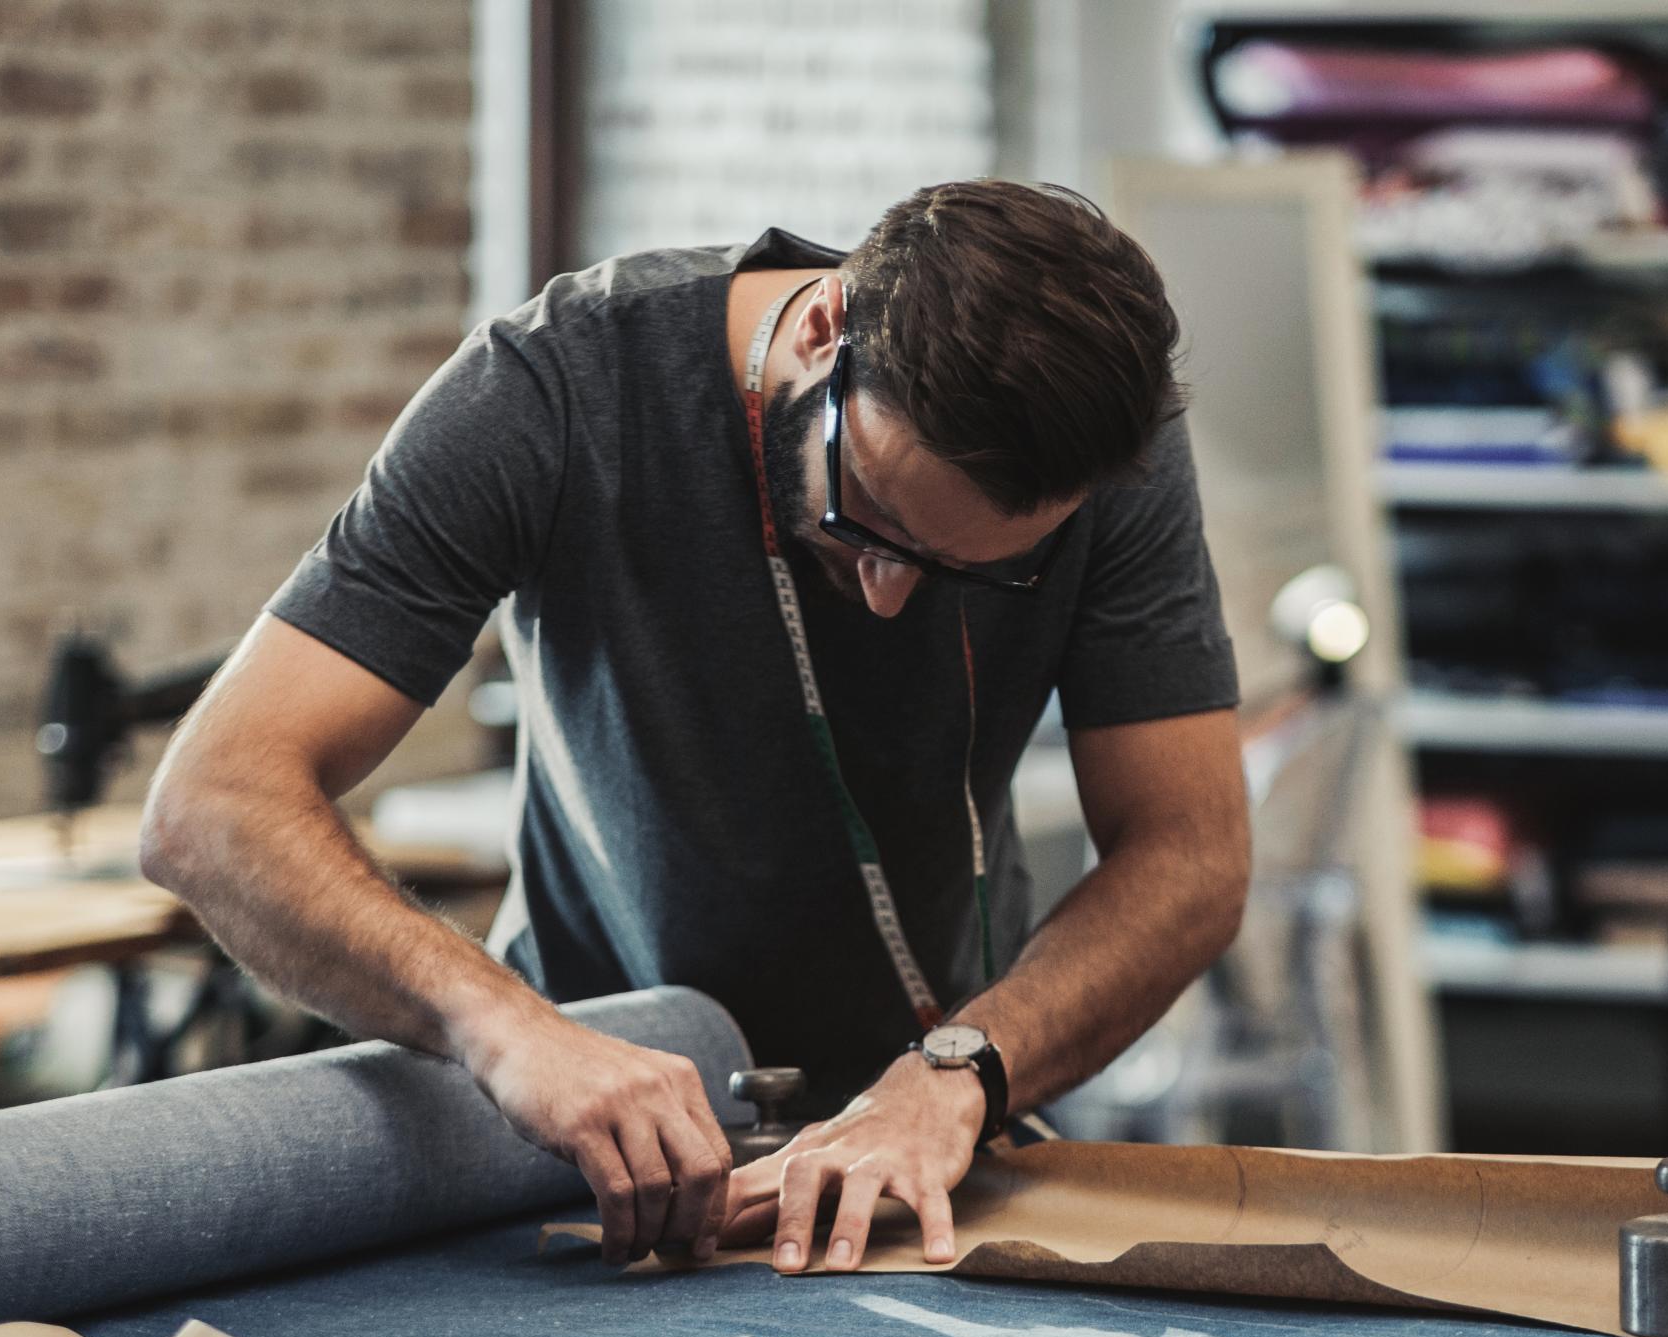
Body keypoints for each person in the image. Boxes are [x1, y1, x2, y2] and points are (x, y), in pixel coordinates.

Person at [140, 179, 1250, 1278]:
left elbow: (1187, 855)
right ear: (823, 327)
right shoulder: (555, 390)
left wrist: (957, 1073)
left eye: (978, 573)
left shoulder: (1100, 449)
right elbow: (213, 802)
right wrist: (506, 1030)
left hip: (932, 1135)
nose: (887, 600)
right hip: (587, 1134)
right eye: (870, 523)